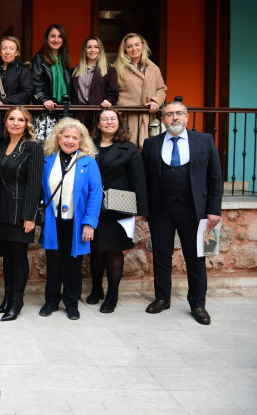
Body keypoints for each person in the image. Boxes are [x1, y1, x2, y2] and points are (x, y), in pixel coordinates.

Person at [142, 99, 222, 325]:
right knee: (161, 256)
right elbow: (145, 179)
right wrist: (145, 209)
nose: (174, 117)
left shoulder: (204, 140)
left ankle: (197, 304)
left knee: (196, 258)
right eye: (169, 114)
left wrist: (214, 210)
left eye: (179, 113)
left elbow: (215, 177)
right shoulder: (151, 143)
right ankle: (162, 298)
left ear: (187, 117)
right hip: (161, 210)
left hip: (195, 210)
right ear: (162, 119)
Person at [39, 118, 102, 320]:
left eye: (75, 138)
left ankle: (72, 303)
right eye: (66, 136)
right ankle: (51, 301)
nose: (70, 141)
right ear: (58, 138)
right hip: (53, 221)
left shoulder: (88, 162)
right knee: (53, 264)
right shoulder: (47, 160)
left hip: (76, 223)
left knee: (74, 265)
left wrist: (89, 223)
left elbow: (95, 194)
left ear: (81, 141)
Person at [86, 108, 148, 313]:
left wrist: (140, 210)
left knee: (114, 250)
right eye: (104, 119)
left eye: (113, 119)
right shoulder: (89, 146)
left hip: (120, 207)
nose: (109, 122)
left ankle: (112, 295)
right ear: (98, 124)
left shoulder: (129, 148)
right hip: (93, 205)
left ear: (119, 123)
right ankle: (96, 289)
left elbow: (139, 180)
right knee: (95, 248)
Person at [0, 107, 43, 321]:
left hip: (21, 212)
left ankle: (17, 301)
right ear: (6, 122)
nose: (15, 123)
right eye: (11, 119)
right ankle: (7, 298)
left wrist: (30, 215)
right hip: (1, 211)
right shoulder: (1, 147)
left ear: (26, 124)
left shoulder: (32, 147)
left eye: (20, 120)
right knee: (7, 256)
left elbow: (34, 183)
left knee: (19, 255)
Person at [114, 33, 167, 148]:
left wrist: (156, 101)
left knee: (149, 151)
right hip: (127, 118)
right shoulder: (116, 68)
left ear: (143, 46)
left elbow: (161, 88)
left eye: (137, 45)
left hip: (149, 118)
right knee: (129, 151)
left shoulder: (154, 69)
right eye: (129, 46)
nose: (134, 49)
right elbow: (111, 92)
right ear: (125, 50)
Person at [0, 36, 33, 148]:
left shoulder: (23, 70)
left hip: (14, 121)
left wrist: (4, 102)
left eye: (11, 49)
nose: (7, 52)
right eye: (4, 48)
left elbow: (27, 93)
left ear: (17, 52)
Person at [32, 24, 72, 142]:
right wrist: (43, 99)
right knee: (46, 146)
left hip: (63, 110)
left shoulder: (65, 59)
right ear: (47, 38)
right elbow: (36, 82)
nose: (56, 40)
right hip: (46, 110)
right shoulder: (39, 58)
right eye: (52, 36)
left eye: (59, 36)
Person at [70, 37, 119, 130]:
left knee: (97, 138)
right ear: (84, 50)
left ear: (100, 50)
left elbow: (113, 92)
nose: (92, 50)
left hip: (99, 112)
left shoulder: (110, 70)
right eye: (89, 47)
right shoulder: (75, 71)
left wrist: (108, 100)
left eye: (96, 47)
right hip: (79, 113)